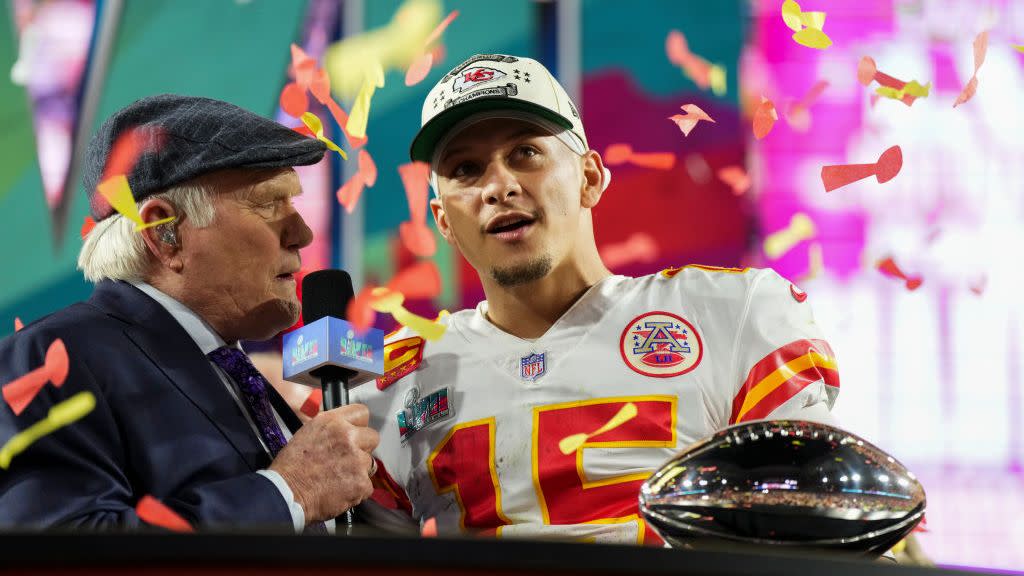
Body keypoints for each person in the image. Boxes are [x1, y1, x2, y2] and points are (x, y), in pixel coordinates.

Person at [353, 54, 840, 544]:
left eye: (525, 153)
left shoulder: (731, 317)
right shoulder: (392, 380)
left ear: (589, 178)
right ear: (442, 220)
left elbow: (813, 528)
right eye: (465, 169)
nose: (499, 186)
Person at [0, 94, 378, 531]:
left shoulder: (234, 373)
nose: (303, 233)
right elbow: (62, 554)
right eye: (270, 204)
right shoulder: (52, 359)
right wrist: (291, 490)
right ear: (165, 232)